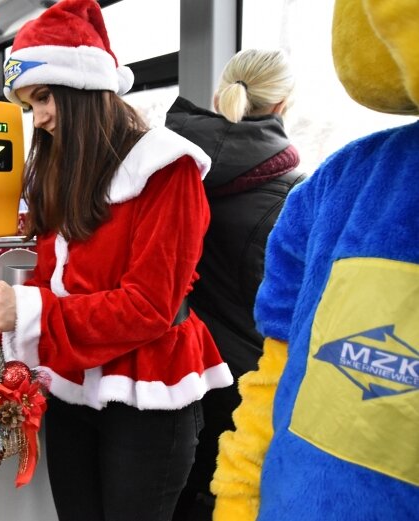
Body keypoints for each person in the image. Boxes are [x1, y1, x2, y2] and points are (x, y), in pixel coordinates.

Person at [0, 1, 233, 520]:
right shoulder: (65, 173)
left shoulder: (169, 169)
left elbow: (148, 307)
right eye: (31, 104)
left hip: (148, 399)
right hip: (72, 385)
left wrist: (28, 311)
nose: (41, 119)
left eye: (44, 98)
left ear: (83, 87)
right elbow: (42, 286)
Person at [212, 1, 419, 519]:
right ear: (284, 103)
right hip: (233, 363)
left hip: (215, 379)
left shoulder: (327, 190)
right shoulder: (298, 191)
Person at [166, 49, 306, 521]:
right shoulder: (294, 198)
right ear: (283, 105)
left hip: (171, 369)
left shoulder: (170, 167)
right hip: (245, 383)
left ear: (218, 94)